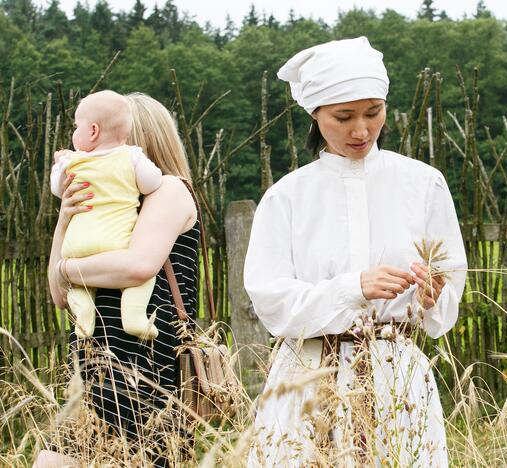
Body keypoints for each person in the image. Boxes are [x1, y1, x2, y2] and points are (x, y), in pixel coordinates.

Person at [244, 37, 467, 466]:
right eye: (343, 117)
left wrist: (432, 296)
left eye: (373, 112)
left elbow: (446, 298)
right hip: (307, 379)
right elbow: (271, 302)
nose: (361, 130)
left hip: (397, 383)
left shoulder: (424, 185)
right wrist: (353, 288)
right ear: (314, 113)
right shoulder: (287, 196)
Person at [36, 92, 199, 468]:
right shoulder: (111, 210)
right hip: (95, 377)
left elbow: (137, 266)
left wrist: (65, 268)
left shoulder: (171, 189)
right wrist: (65, 220)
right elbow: (60, 297)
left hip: (148, 377)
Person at [51, 90, 162, 340]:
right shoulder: (130, 156)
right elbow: (152, 182)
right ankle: (134, 316)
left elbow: (57, 188)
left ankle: (83, 315)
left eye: (75, 126)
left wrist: (60, 164)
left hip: (76, 245)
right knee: (140, 282)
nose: (73, 132)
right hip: (116, 241)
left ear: (92, 131)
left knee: (79, 286)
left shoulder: (75, 161)